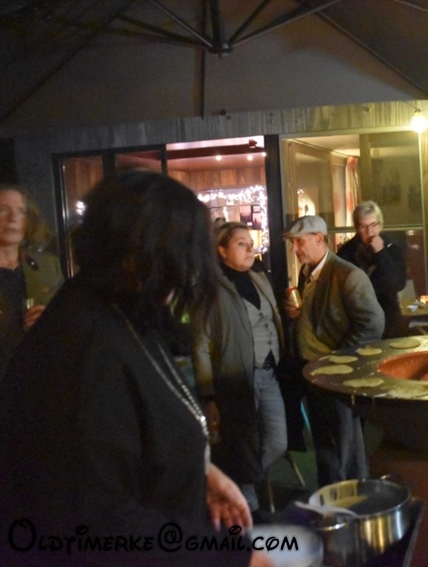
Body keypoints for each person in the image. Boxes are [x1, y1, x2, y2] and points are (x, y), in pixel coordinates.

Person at [0, 169, 271, 566]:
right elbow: (98, 522)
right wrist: (233, 559)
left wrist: (200, 472)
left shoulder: (120, 307)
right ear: (141, 253)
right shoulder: (86, 345)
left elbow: (141, 430)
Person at [193, 221, 288, 523]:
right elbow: (200, 344)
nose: (250, 249)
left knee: (278, 441)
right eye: (241, 244)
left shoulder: (259, 278)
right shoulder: (210, 289)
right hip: (236, 378)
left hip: (269, 373)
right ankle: (247, 508)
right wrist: (208, 394)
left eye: (251, 243)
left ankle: (238, 482)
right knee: (243, 443)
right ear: (221, 251)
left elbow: (271, 318)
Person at [282, 215, 384, 486]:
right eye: (292, 243)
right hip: (315, 374)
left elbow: (372, 325)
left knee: (342, 448)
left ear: (319, 238)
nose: (294, 249)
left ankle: (349, 499)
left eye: (299, 242)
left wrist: (338, 360)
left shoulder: (348, 275)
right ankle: (337, 497)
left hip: (334, 377)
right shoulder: (309, 272)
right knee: (328, 446)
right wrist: (299, 315)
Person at [0, 184, 64, 376]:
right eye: (3, 209)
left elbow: (68, 318)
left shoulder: (47, 265)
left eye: (22, 211)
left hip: (40, 376)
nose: (13, 218)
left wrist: (50, 321)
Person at [337, 201, 407, 338]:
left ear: (381, 225)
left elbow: (398, 284)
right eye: (364, 226)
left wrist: (381, 253)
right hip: (357, 320)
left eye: (373, 225)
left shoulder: (392, 248)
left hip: (389, 319)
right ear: (357, 228)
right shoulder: (346, 253)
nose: (370, 232)